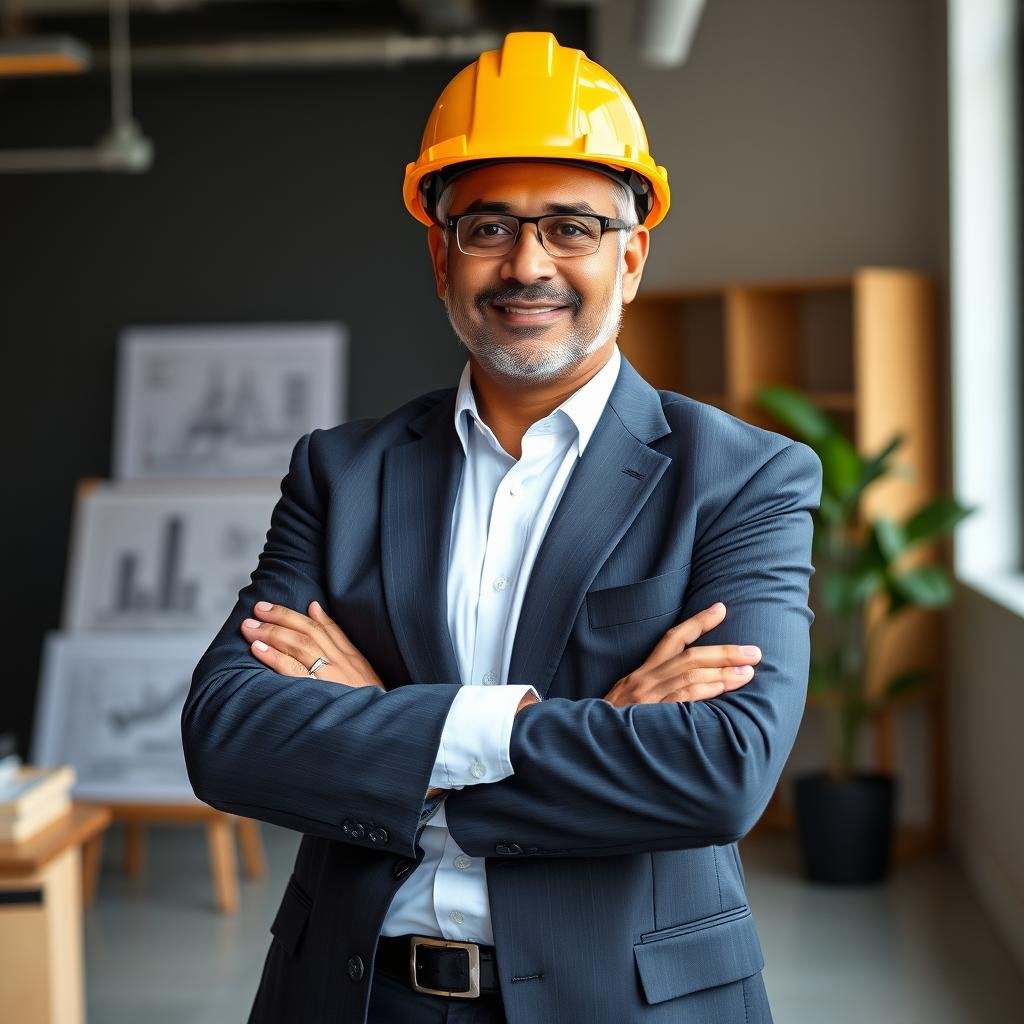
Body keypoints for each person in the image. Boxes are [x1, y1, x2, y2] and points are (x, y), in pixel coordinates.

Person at [182, 30, 822, 1024]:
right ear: (441, 252)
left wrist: (395, 732)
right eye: (487, 227)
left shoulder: (742, 480)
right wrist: (580, 727)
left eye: (572, 225)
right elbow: (226, 735)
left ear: (631, 254)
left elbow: (720, 771)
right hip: (352, 995)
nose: (528, 264)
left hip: (622, 1002)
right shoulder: (340, 472)